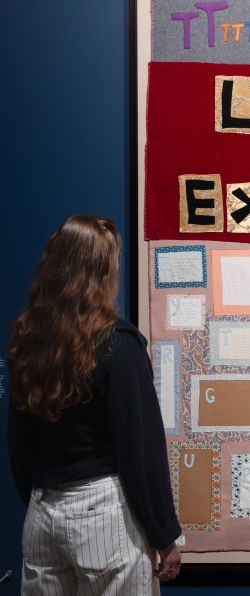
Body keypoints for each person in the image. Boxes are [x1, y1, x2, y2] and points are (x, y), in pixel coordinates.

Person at [6, 214, 182, 593]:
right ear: (103, 272)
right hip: (102, 513)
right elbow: (141, 449)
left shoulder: (28, 339)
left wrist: (41, 497)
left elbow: (18, 445)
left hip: (41, 512)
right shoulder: (118, 344)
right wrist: (164, 533)